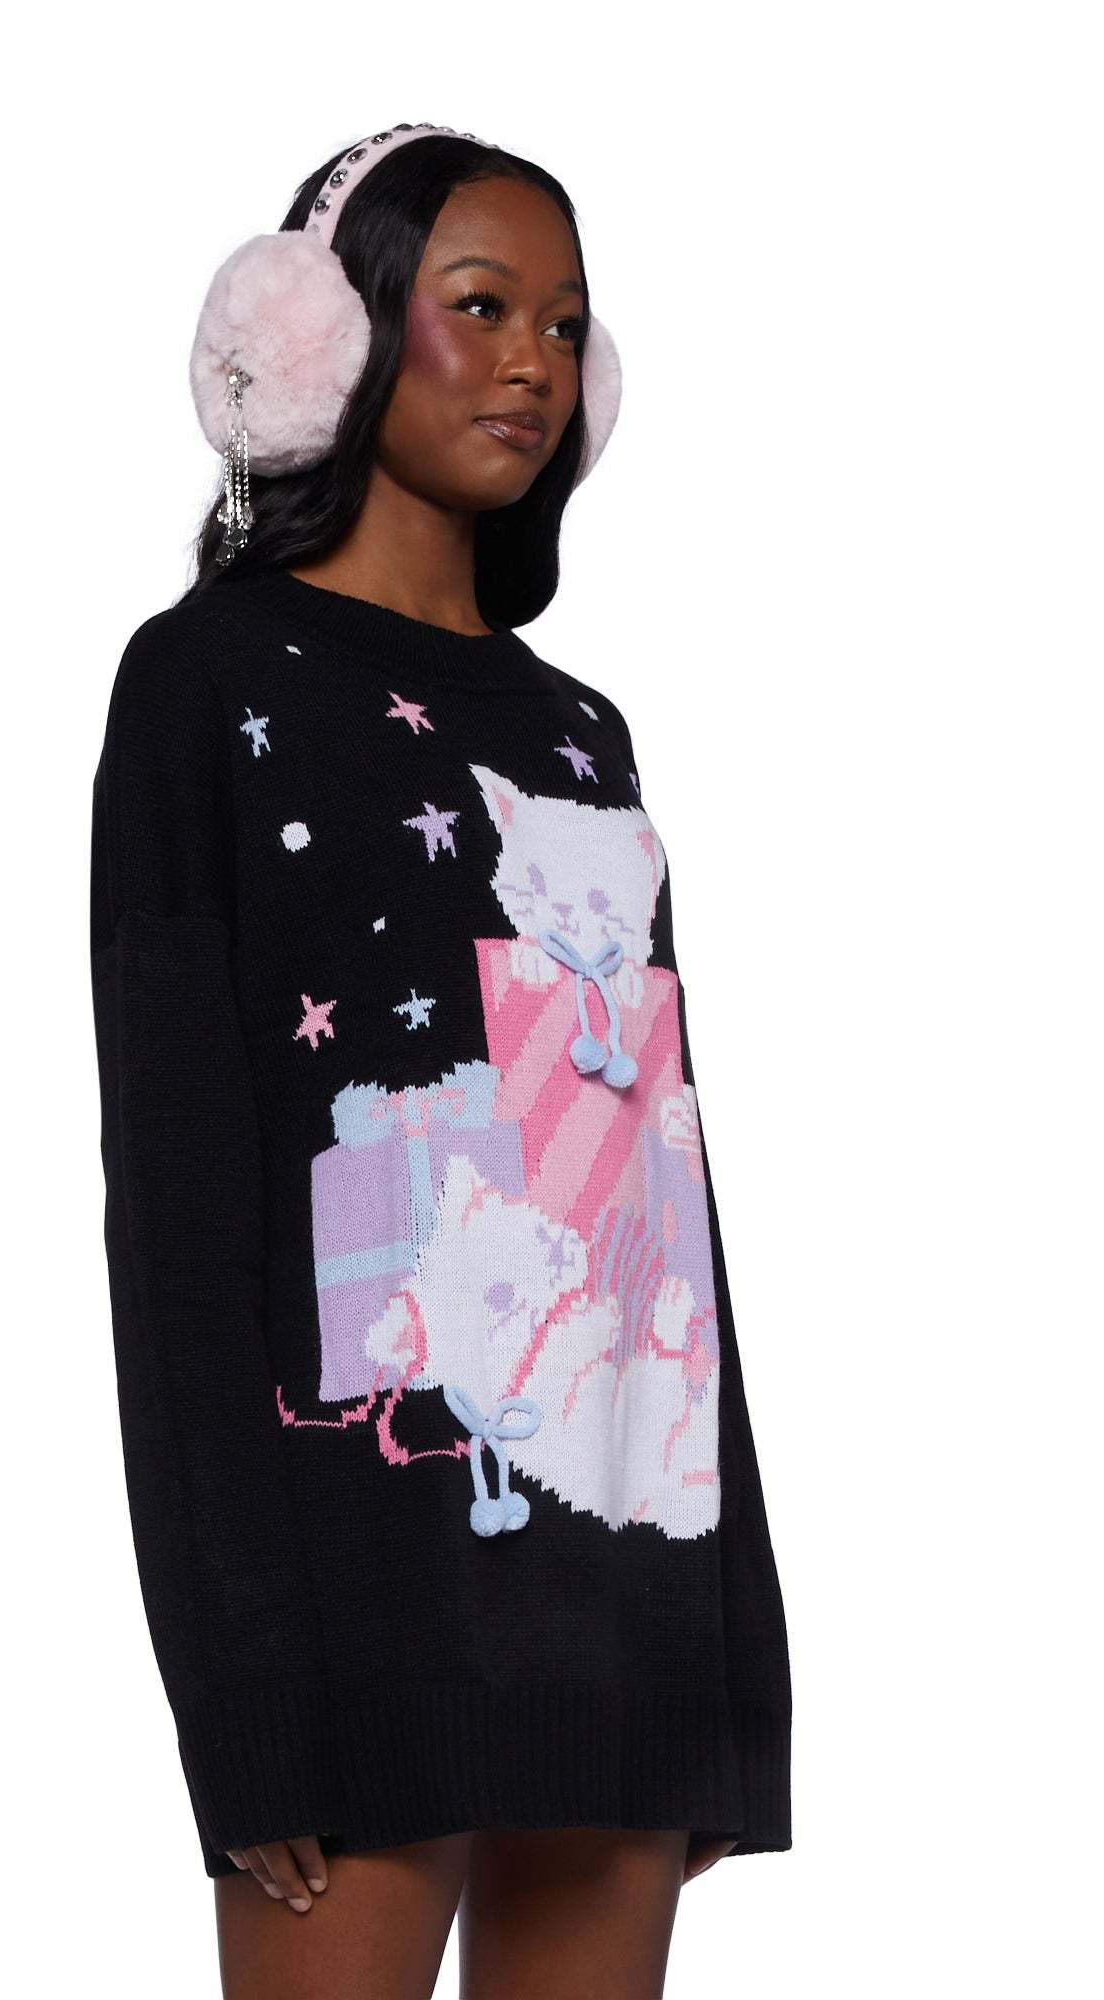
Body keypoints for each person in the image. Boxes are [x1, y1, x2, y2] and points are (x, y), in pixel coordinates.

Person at [90, 122, 793, 1999]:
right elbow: (179, 1222)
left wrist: (735, 1652)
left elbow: (662, 1191)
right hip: (353, 1593)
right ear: (326, 335)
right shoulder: (204, 682)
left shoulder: (579, 734)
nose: (530, 364)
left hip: (625, 1571)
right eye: (478, 307)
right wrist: (239, 1686)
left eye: (563, 325)